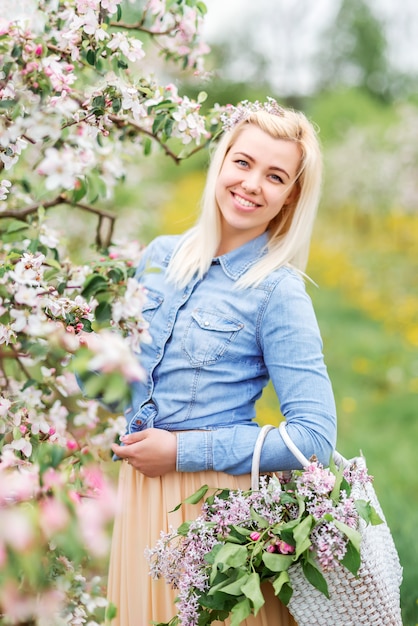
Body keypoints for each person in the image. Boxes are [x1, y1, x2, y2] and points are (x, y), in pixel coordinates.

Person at [106, 98, 337, 625]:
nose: (252, 184)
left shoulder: (278, 292)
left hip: (212, 517)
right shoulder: (160, 257)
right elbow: (121, 381)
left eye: (275, 176)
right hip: (137, 497)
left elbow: (316, 437)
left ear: (289, 197)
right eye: (243, 162)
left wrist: (181, 450)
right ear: (222, 161)